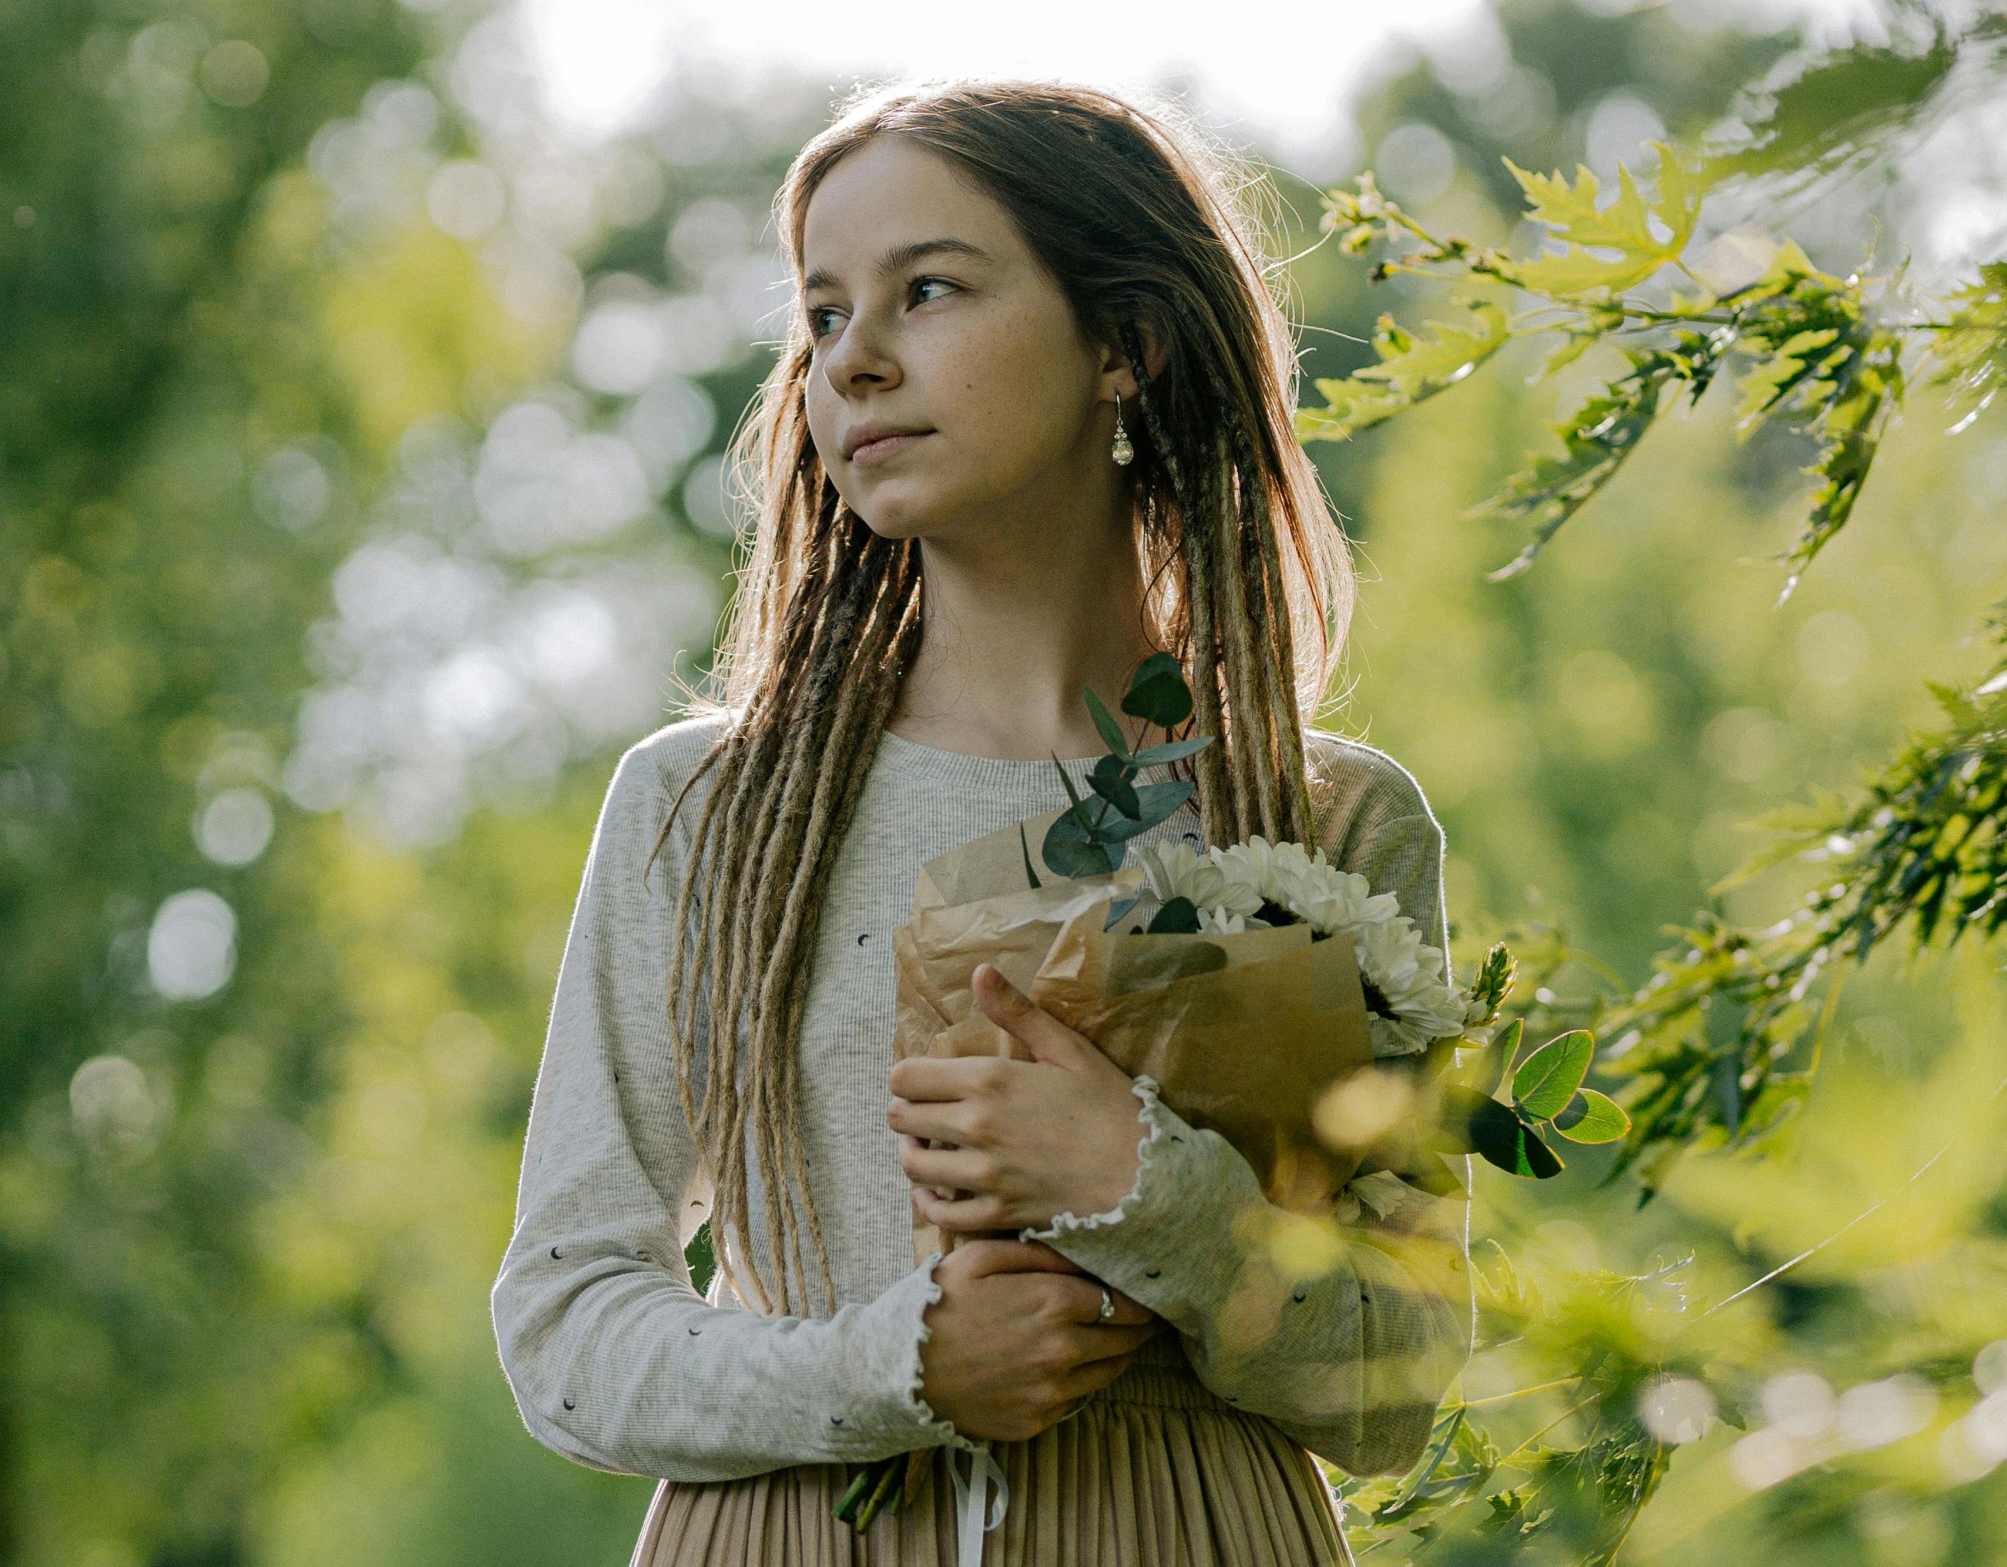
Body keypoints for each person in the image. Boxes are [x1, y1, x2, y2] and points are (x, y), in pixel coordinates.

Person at [492, 79, 1471, 1565]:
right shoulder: (704, 812)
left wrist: (1151, 1188)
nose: (853, 363)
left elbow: (1397, 1382)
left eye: (927, 289)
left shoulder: (1327, 819)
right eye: (822, 316)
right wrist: (889, 1367)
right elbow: (563, 1326)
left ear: (1123, 345)